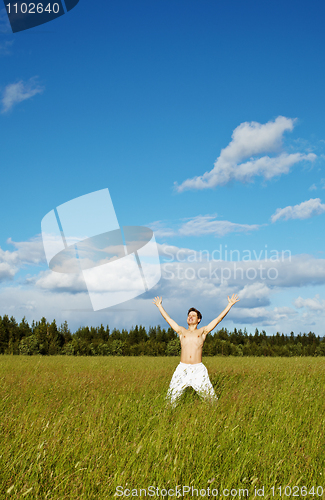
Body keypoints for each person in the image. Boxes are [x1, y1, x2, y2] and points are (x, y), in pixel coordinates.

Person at [153, 294, 240, 406]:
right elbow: (168, 319)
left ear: (198, 319)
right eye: (189, 315)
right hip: (182, 369)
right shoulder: (181, 331)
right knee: (171, 399)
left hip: (198, 369)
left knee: (210, 400)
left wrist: (229, 305)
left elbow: (218, 319)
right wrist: (159, 306)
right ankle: (167, 416)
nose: (190, 317)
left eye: (193, 315)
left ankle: (215, 415)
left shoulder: (203, 331)